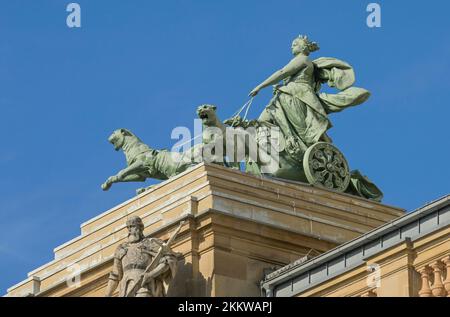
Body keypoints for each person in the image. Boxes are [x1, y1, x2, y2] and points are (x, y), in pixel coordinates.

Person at [249, 35, 370, 159]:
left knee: (304, 133)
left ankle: (313, 153)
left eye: (295, 44)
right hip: (285, 95)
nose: (292, 46)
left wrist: (260, 86)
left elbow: (282, 72)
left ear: (303, 48)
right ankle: (273, 152)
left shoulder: (303, 60)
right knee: (261, 122)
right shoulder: (301, 61)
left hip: (297, 96)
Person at [105, 216, 177, 297]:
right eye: (128, 227)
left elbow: (167, 261)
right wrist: (107, 295)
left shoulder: (151, 243)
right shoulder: (121, 248)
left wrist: (151, 274)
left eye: (132, 226)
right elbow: (115, 275)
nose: (129, 230)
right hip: (126, 290)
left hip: (145, 286)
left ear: (140, 228)